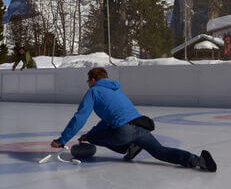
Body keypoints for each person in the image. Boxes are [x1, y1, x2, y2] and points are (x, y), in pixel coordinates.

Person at [49, 67, 216, 171]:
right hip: (140, 125)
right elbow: (109, 119)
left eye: (88, 81)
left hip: (124, 131)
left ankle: (128, 148)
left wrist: (63, 140)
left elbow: (80, 117)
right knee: (160, 151)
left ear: (93, 80)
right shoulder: (116, 90)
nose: (88, 84)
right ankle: (196, 160)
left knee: (96, 137)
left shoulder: (94, 91)